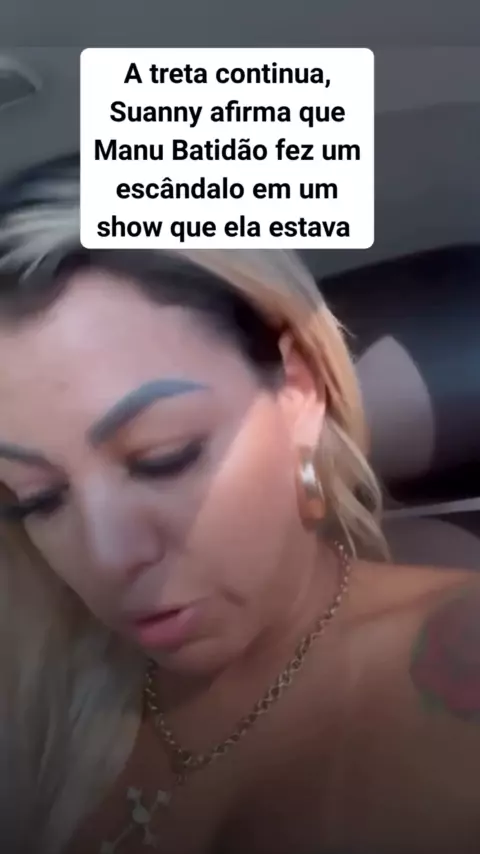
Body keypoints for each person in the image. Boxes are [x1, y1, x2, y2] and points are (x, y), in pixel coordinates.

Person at [0, 157, 479, 854]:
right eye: (37, 499)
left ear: (299, 390)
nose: (109, 556)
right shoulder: (39, 685)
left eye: (164, 455)